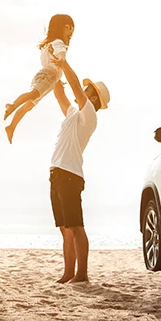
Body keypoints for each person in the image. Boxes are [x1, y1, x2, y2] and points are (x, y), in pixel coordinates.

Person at [48, 57, 110, 283]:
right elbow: (60, 94)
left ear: (93, 97)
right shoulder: (73, 113)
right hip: (57, 173)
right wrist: (53, 70)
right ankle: (68, 274)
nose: (81, 90)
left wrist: (63, 63)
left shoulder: (89, 115)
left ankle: (81, 274)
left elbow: (74, 86)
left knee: (75, 225)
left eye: (86, 89)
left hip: (70, 175)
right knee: (65, 228)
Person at [3, 14, 75, 144]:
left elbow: (51, 62)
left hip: (48, 77)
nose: (71, 34)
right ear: (66, 27)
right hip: (48, 77)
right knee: (33, 94)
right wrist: (62, 61)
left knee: (29, 104)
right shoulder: (58, 43)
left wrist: (58, 78)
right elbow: (61, 54)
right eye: (70, 29)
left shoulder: (50, 44)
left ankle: (11, 126)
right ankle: (13, 105)